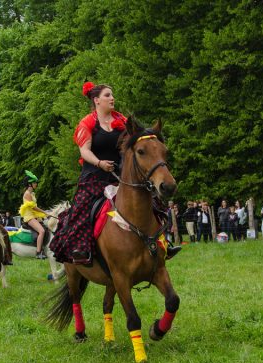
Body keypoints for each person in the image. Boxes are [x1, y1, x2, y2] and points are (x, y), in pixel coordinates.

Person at [49, 81, 179, 264]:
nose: (112, 98)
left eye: (112, 95)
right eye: (107, 95)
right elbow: (84, 151)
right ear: (96, 100)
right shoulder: (87, 123)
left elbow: (140, 140)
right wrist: (100, 163)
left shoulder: (122, 121)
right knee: (83, 208)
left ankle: (164, 242)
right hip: (94, 176)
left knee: (154, 203)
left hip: (121, 176)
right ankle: (81, 249)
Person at [19, 170, 48, 259]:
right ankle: (38, 252)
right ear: (29, 184)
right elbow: (34, 207)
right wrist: (45, 212)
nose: (36, 184)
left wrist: (40, 216)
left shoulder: (32, 193)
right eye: (35, 182)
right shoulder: (27, 194)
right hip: (29, 217)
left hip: (34, 215)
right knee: (42, 231)